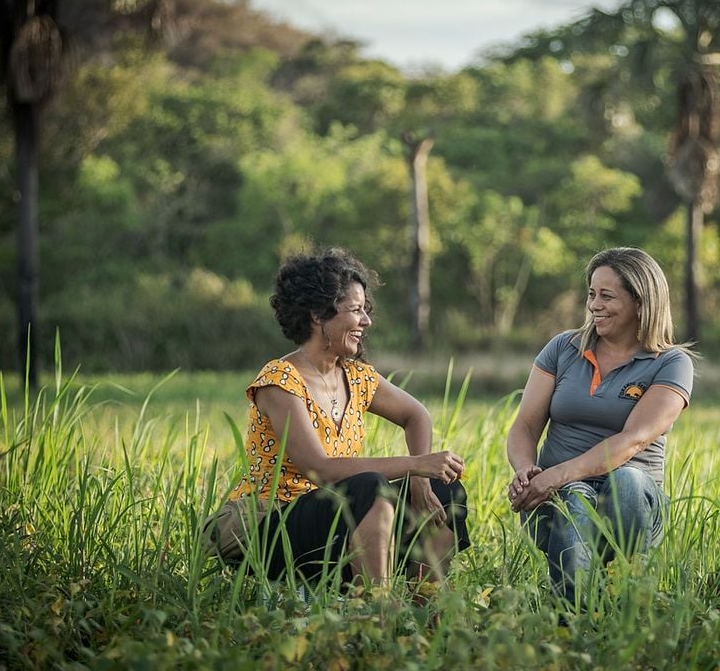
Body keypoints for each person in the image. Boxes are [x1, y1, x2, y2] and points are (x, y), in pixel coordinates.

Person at [204, 247, 469, 591]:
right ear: (318, 315)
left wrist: (420, 484)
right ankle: (378, 614)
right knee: (370, 486)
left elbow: (416, 415)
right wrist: (416, 464)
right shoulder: (280, 380)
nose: (366, 321)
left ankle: (424, 612)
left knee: (444, 488)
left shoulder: (357, 377)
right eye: (356, 310)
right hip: (273, 523)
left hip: (340, 514)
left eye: (365, 310)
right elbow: (320, 469)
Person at [506, 247, 693, 607]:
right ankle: (572, 616)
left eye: (607, 296)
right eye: (592, 294)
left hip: (632, 503)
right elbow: (525, 426)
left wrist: (555, 474)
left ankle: (621, 597)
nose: (594, 305)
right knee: (574, 497)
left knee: (626, 478)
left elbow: (633, 441)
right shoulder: (563, 348)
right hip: (557, 496)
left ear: (641, 302)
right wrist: (527, 471)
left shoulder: (671, 363)